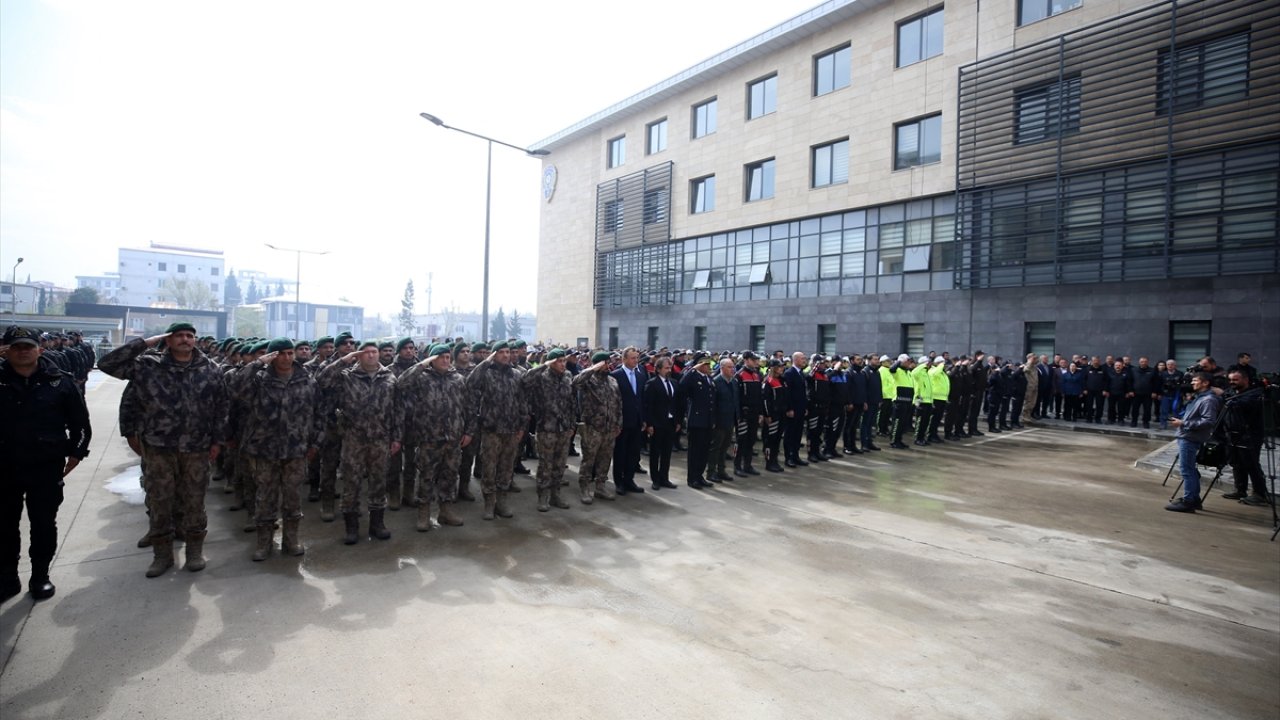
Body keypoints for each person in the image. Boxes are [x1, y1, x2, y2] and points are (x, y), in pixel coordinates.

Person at [98, 323, 228, 577]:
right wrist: (145, 342)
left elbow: (221, 408)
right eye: (178, 335)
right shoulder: (148, 365)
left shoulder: (210, 369)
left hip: (196, 447)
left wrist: (217, 441)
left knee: (194, 501)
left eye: (190, 335)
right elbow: (107, 364)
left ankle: (193, 551)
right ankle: (162, 555)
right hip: (159, 447)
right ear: (168, 340)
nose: (185, 339)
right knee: (160, 501)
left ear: (195, 340)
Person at [0, 326, 92, 603]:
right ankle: (8, 578)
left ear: (39, 349)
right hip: (4, 466)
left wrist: (77, 452)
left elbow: (81, 424)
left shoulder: (59, 381)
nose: (23, 350)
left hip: (45, 466)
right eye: (16, 346)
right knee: (4, 526)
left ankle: (40, 576)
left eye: (28, 345)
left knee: (43, 523)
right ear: (7, 351)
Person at [233, 339, 323, 561]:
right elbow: (235, 387)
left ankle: (291, 540)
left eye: (290, 353)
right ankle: (264, 544)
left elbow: (318, 412)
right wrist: (257, 363)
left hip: (295, 449)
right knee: (265, 498)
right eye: (280, 353)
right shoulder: (260, 379)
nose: (286, 357)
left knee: (293, 497)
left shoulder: (307, 379)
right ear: (272, 355)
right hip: (265, 449)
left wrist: (315, 443)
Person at [319, 341, 402, 543]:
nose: (371, 355)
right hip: (354, 439)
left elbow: (397, 410)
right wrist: (344, 359)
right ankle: (352, 526)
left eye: (375, 352)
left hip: (380, 439)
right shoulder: (347, 376)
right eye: (366, 352)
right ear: (359, 355)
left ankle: (377, 524)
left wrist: (397, 437)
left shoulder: (389, 377)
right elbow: (321, 380)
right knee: (351, 482)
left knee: (378, 481)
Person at [396, 344, 472, 531]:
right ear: (432, 360)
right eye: (441, 357)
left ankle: (445, 511)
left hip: (453, 438)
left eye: (447, 357)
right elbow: (400, 383)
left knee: (449, 475)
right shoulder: (421, 379)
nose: (446, 360)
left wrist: (469, 431)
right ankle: (424, 513)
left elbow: (468, 408)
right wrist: (422, 365)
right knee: (427, 477)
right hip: (429, 438)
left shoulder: (458, 379)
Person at [465, 340, 529, 519]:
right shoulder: (486, 373)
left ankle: (502, 502)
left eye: (508, 352)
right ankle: (489, 503)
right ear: (494, 355)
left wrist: (522, 426)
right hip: (491, 430)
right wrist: (486, 362)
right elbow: (470, 383)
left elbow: (522, 401)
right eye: (501, 352)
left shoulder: (516, 375)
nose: (506, 355)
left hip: (511, 430)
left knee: (506, 468)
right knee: (489, 468)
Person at [521, 348, 577, 512]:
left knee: (560, 465)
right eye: (558, 361)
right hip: (547, 428)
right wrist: (544, 365)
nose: (562, 364)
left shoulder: (567, 376)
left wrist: (572, 424)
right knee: (546, 465)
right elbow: (525, 380)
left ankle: (556, 494)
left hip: (564, 428)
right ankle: (543, 496)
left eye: (563, 361)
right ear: (551, 363)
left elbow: (572, 403)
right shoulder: (541, 377)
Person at [1166, 372, 1222, 513]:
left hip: (1190, 438)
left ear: (1205, 383)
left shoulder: (1208, 400)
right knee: (1190, 469)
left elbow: (1209, 421)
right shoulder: (1200, 397)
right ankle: (1194, 499)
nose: (1192, 383)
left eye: (1195, 380)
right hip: (1187, 436)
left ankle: (1189, 501)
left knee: (1187, 470)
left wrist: (1183, 423)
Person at [572, 352, 622, 502]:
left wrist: (618, 423)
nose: (608, 365)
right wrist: (593, 368)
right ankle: (585, 488)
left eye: (608, 363)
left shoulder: (612, 380)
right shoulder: (588, 380)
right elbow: (576, 382)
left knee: (605, 459)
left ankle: (600, 487)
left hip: (609, 428)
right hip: (592, 428)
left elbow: (618, 404)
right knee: (589, 460)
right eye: (605, 363)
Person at [1218, 370, 1271, 506]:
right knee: (1236, 463)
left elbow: (1242, 404)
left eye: (1235, 380)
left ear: (1245, 380)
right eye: (1230, 380)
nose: (1232, 383)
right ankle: (1240, 489)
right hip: (1231, 433)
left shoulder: (1254, 394)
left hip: (1250, 435)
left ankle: (1260, 494)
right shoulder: (1230, 392)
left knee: (1251, 464)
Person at [610, 347, 648, 495]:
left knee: (633, 453)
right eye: (632, 358)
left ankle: (629, 479)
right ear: (624, 359)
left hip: (637, 421)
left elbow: (642, 399)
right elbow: (613, 401)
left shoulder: (640, 376)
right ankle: (619, 482)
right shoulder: (615, 375)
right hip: (622, 421)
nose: (635, 360)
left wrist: (643, 419)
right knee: (620, 452)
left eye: (637, 358)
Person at [643, 357, 681, 489]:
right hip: (657, 422)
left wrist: (677, 421)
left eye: (670, 368)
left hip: (670, 422)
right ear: (658, 369)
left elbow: (676, 404)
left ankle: (664, 477)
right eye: (666, 368)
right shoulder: (652, 383)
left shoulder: (674, 383)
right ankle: (655, 479)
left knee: (667, 452)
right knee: (655, 452)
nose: (668, 370)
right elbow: (648, 405)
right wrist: (649, 424)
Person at [680, 353, 717, 487]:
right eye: (705, 364)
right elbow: (682, 386)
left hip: (707, 420)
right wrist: (693, 369)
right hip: (696, 420)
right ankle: (692, 478)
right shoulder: (693, 377)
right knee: (695, 451)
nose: (708, 366)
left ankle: (700, 475)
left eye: (708, 364)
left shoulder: (709, 378)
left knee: (704, 450)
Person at [733, 351, 764, 475]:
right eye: (753, 359)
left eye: (756, 359)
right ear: (746, 360)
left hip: (755, 413)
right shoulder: (739, 375)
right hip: (744, 414)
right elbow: (737, 397)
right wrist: (739, 415)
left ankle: (747, 465)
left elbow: (759, 396)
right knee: (741, 440)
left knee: (751, 440)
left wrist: (761, 413)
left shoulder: (757, 375)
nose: (756, 362)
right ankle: (737, 466)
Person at [710, 358, 739, 482]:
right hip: (719, 421)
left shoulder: (733, 382)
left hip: (730, 419)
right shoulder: (716, 382)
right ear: (722, 368)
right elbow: (713, 404)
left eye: (733, 367)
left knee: (725, 447)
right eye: (729, 367)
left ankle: (721, 470)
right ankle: (711, 472)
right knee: (715, 448)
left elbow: (736, 401)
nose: (732, 369)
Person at [761, 359, 788, 472]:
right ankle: (769, 462)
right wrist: (767, 415)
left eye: (782, 366)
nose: (782, 368)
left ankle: (774, 460)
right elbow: (765, 401)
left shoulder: (781, 381)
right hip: (772, 415)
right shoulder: (768, 382)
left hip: (781, 414)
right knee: (770, 440)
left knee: (777, 439)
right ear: (773, 368)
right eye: (780, 366)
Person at [783, 352, 809, 466]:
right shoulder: (789, 373)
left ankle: (796, 455)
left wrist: (805, 407)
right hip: (792, 409)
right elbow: (787, 393)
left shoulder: (801, 374)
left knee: (798, 434)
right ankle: (788, 457)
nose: (804, 360)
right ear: (796, 359)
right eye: (802, 359)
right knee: (790, 434)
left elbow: (804, 393)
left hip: (801, 409)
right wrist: (789, 409)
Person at [1158, 359, 1184, 430]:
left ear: (1175, 366)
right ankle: (1163, 424)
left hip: (1176, 395)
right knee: (1164, 410)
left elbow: (1183, 385)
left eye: (1172, 364)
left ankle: (1177, 424)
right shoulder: (1163, 374)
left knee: (1176, 410)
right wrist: (1159, 394)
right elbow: (1159, 384)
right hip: (1165, 394)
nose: (1170, 366)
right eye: (1168, 364)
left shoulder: (1180, 374)